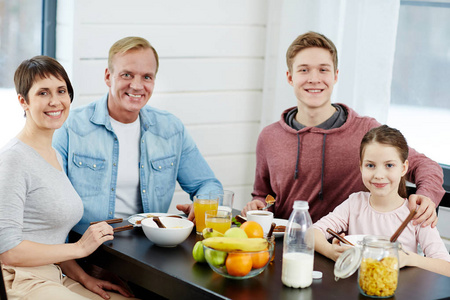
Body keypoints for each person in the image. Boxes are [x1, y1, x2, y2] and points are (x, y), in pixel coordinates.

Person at [241, 31, 444, 227]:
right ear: (290, 77)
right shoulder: (269, 137)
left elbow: (425, 165)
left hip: (345, 251)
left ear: (336, 76)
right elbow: (263, 195)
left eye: (323, 69)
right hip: (288, 246)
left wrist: (427, 195)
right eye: (303, 70)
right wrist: (258, 205)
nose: (314, 78)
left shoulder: (366, 131)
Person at [0, 56, 138, 299]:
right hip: (21, 280)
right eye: (43, 93)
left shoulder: (53, 155)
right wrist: (79, 248)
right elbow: (8, 251)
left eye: (61, 91)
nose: (55, 101)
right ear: (23, 101)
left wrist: (85, 278)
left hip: (55, 275)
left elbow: (48, 241)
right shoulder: (14, 159)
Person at [53, 37, 222, 227]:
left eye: (146, 77)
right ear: (108, 76)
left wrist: (202, 205)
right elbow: (49, 201)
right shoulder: (70, 127)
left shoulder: (171, 129)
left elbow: (208, 184)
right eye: (127, 75)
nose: (137, 85)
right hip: (88, 249)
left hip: (150, 246)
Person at [313, 125, 450, 276]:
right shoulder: (354, 203)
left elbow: (446, 267)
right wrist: (331, 251)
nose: (379, 174)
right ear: (361, 166)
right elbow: (311, 233)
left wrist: (409, 259)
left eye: (389, 165)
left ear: (404, 168)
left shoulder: (416, 214)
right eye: (370, 165)